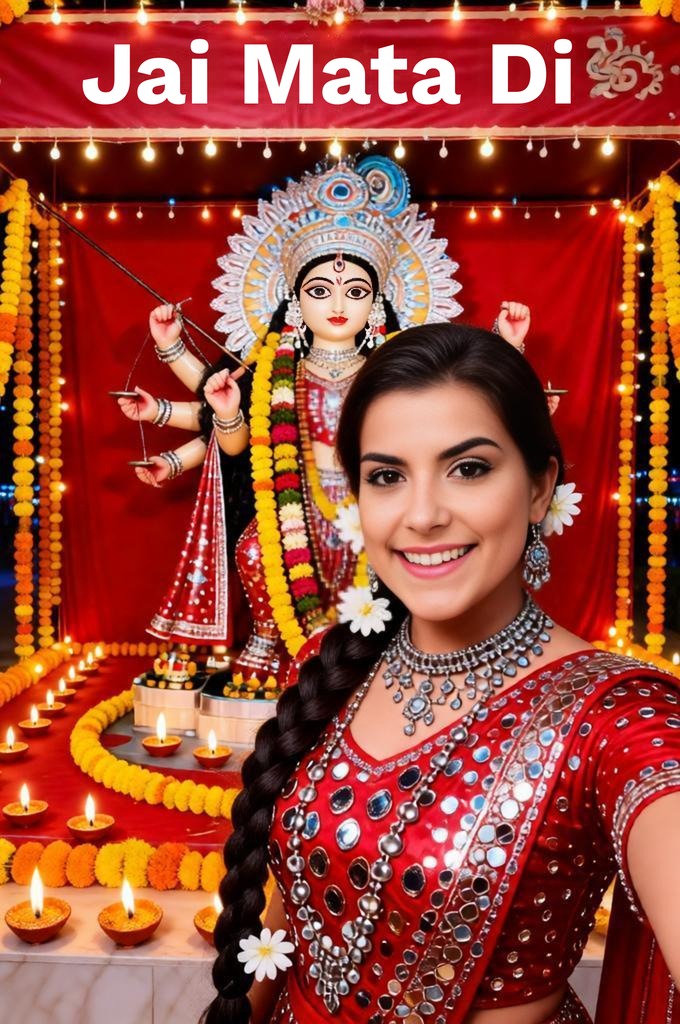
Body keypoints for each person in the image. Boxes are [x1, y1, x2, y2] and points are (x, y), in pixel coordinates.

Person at [202, 323, 680, 1024]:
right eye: (388, 476)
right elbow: (282, 922)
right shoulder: (329, 664)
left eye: (469, 468)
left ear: (541, 485)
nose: (422, 515)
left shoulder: (615, 720)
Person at [119, 158, 532, 680]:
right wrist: (224, 410)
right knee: (254, 551)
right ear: (294, 301)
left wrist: (508, 347)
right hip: (295, 499)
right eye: (320, 291)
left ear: (376, 304)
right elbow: (233, 448)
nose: (338, 304)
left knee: (405, 548)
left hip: (374, 497)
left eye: (355, 292)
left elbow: (453, 410)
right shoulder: (270, 371)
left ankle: (390, 642)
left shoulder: (393, 367)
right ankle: (271, 638)